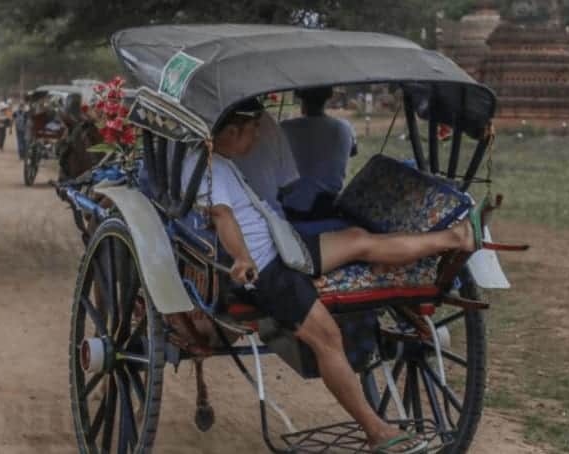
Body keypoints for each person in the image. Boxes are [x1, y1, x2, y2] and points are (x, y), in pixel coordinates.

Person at [181, 98, 479, 454]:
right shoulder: (209, 166)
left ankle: (454, 237)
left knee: (358, 240)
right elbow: (222, 216)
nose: (256, 141)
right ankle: (376, 430)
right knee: (328, 340)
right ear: (232, 131)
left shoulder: (214, 161)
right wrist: (243, 257)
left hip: (285, 246)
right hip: (268, 270)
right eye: (253, 133)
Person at [280, 86, 357, 221]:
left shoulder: (285, 128)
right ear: (328, 97)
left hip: (291, 210)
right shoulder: (345, 127)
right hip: (328, 208)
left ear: (301, 98)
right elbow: (352, 152)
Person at [231, 111, 299, 218]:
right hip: (270, 219)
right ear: (232, 132)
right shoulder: (269, 123)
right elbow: (287, 184)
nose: (258, 135)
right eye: (255, 127)